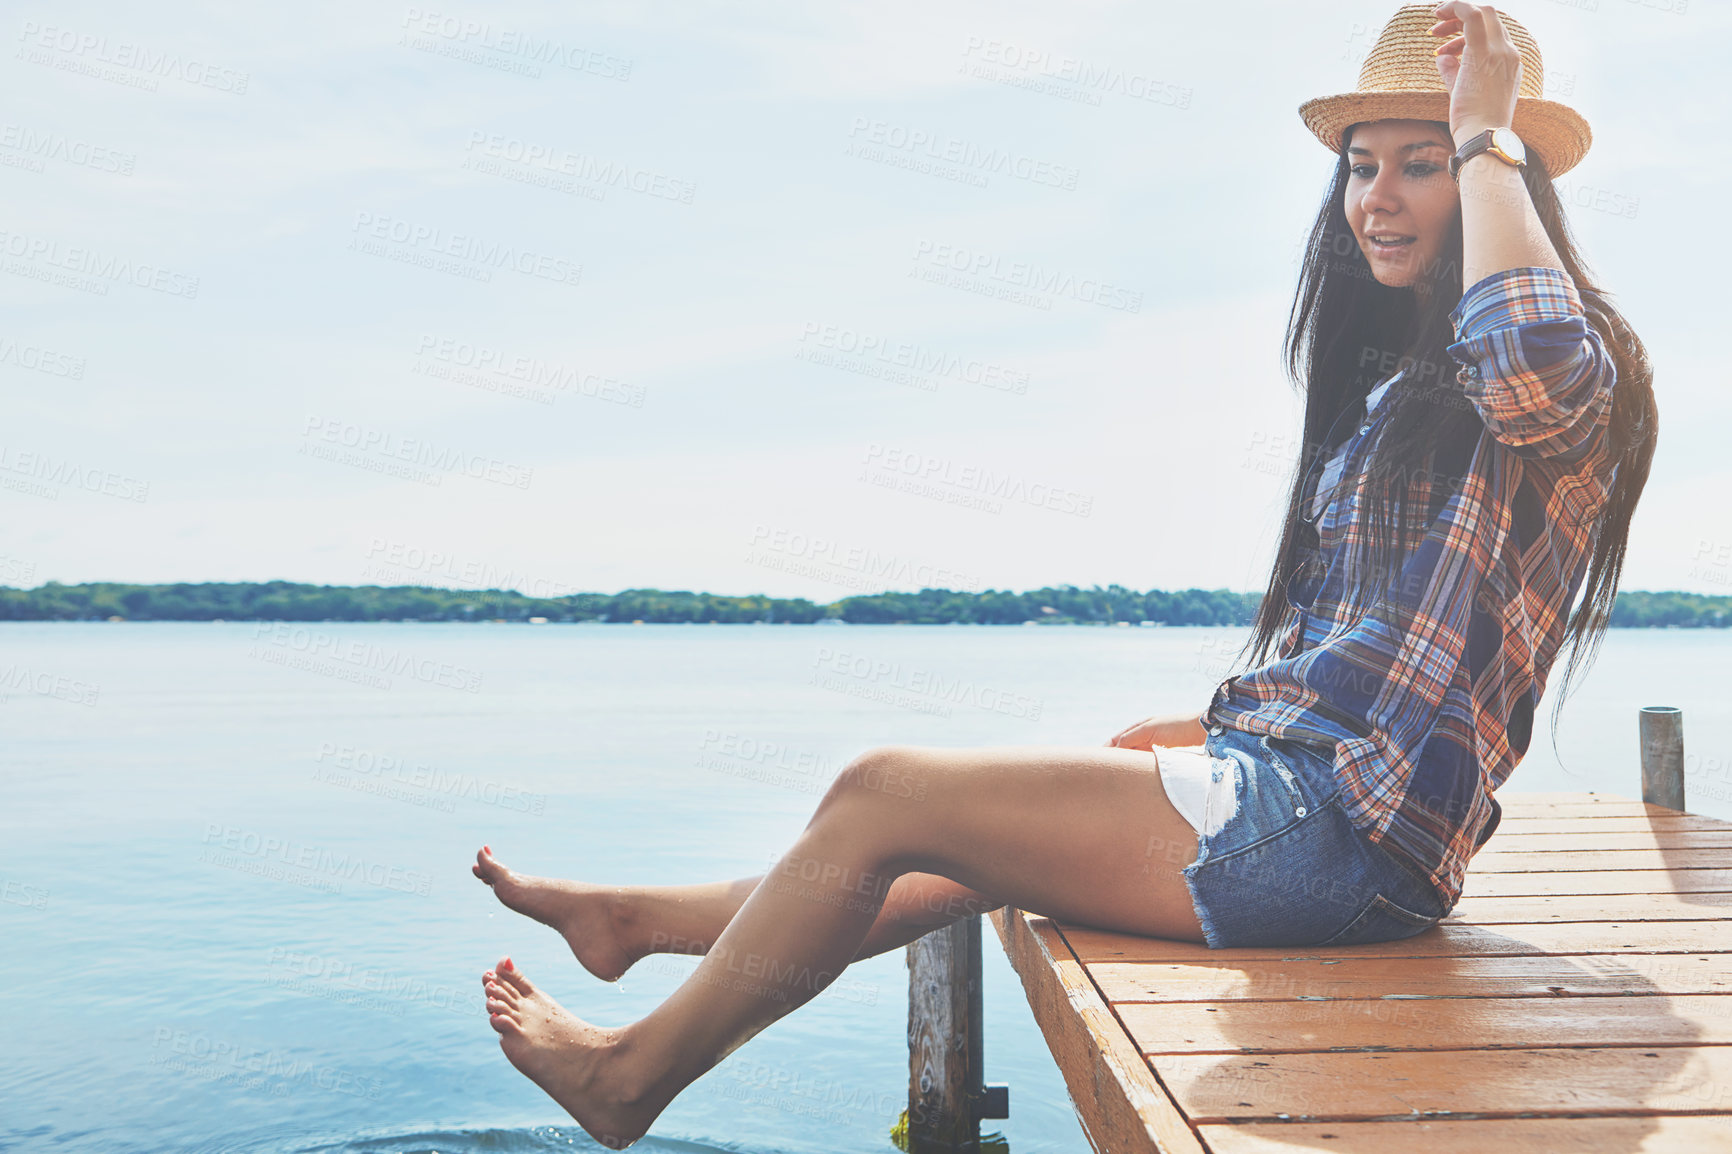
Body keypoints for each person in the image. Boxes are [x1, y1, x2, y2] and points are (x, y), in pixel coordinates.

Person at [472, 3, 1657, 1146]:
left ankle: (627, 1076)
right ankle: (643, 920)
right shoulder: (1399, 392)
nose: (1376, 197)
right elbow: (1378, 662)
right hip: (1321, 806)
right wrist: (1207, 730)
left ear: (1501, 176)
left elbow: (1528, 349)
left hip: (1349, 850)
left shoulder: (1558, 371)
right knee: (1030, 790)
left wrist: (1487, 133)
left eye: (1421, 161)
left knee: (886, 786)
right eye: (1360, 165)